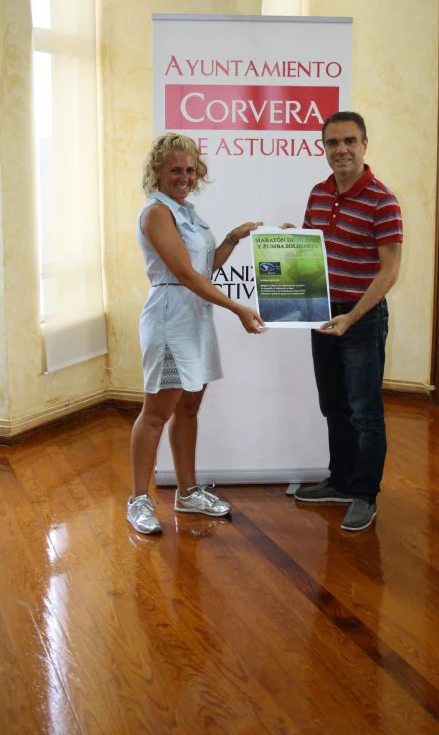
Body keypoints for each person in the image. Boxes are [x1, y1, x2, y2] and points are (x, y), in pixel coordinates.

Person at [127, 132, 266, 536]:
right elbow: (185, 275)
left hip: (196, 319)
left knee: (189, 408)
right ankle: (138, 499)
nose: (184, 176)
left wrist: (232, 239)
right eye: (175, 170)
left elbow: (204, 268)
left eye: (190, 170)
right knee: (156, 413)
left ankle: (187, 493)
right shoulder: (156, 213)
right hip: (171, 319)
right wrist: (238, 307)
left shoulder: (187, 212)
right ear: (157, 171)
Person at [289, 111, 403, 532]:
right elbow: (308, 253)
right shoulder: (318, 194)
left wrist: (353, 317)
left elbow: (389, 272)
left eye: (349, 141)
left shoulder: (382, 200)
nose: (341, 150)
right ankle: (339, 481)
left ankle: (364, 494)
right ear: (324, 148)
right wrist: (288, 242)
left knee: (365, 412)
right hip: (322, 315)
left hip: (361, 317)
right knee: (334, 405)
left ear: (365, 144)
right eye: (332, 143)